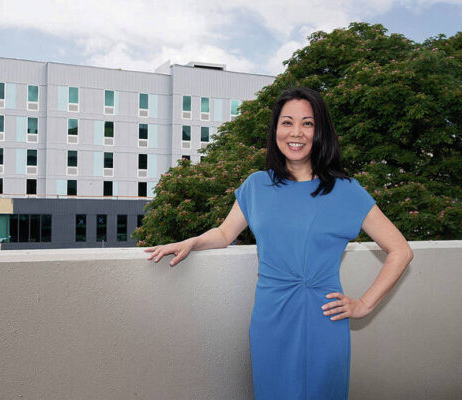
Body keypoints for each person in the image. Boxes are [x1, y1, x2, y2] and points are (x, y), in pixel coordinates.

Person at [144, 86, 413, 399]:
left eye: (307, 123)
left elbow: (400, 250)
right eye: (287, 122)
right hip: (270, 319)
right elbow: (224, 233)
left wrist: (364, 304)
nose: (296, 132)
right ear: (275, 130)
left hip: (325, 319)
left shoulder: (346, 191)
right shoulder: (257, 185)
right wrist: (192, 242)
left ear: (319, 131)